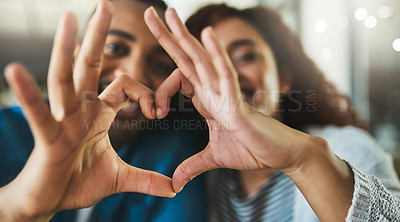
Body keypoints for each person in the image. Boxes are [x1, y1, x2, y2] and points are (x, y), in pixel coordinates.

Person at [143, 4, 400, 221]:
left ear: (284, 78)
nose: (227, 75)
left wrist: (305, 160)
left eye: (245, 56)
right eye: (208, 63)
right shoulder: (205, 178)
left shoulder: (348, 149)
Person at [0, 0, 207, 221]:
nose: (135, 73)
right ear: (74, 57)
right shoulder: (5, 131)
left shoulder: (174, 155)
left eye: (159, 64)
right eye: (114, 48)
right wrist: (17, 210)